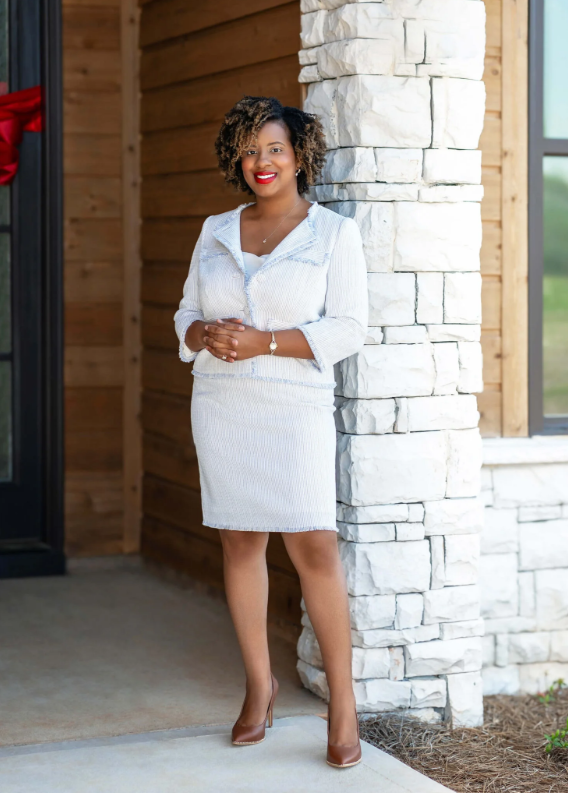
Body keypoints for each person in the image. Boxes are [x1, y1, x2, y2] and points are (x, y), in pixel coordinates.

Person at [173, 95, 368, 768]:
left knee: (314, 544)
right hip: (223, 403)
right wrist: (204, 334)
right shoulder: (215, 229)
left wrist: (265, 340)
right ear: (238, 156)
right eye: (251, 149)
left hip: (295, 407)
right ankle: (260, 685)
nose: (262, 162)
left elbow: (347, 328)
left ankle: (343, 702)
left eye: (275, 149)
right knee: (241, 539)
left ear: (298, 154)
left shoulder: (333, 235)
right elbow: (186, 316)